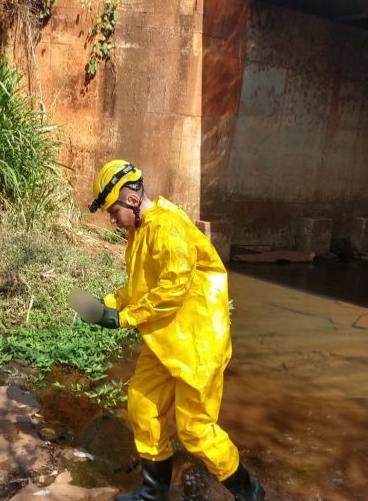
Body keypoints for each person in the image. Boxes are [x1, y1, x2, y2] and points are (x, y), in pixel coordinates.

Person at [84, 160, 265, 501]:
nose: (112, 220)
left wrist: (121, 319)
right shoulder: (141, 232)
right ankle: (154, 492)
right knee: (142, 406)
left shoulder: (169, 228)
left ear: (132, 200)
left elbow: (171, 292)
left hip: (198, 345)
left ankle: (251, 493)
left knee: (195, 430)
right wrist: (105, 303)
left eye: (112, 211)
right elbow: (140, 288)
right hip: (166, 340)